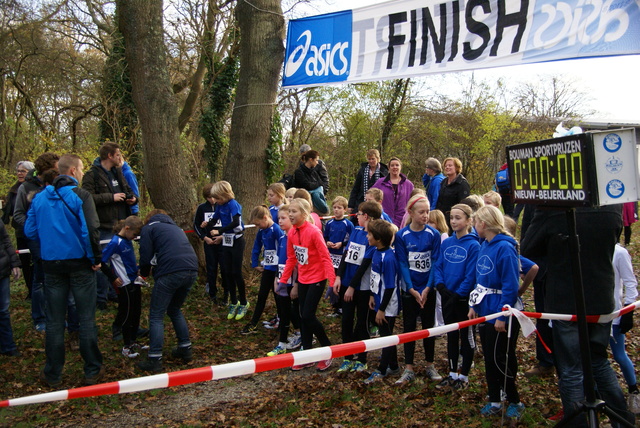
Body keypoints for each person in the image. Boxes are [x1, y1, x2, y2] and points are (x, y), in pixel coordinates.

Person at [521, 205, 635, 427]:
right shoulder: (612, 207)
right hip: (600, 295)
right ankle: (622, 421)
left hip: (566, 298)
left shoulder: (553, 209)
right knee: (599, 361)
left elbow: (528, 247)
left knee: (572, 369)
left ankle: (580, 424)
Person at [24, 153, 104, 388]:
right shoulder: (81, 195)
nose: (81, 173)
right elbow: (90, 230)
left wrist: (50, 241)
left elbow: (29, 231)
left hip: (52, 264)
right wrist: (95, 259)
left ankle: (52, 373)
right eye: (80, 169)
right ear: (72, 171)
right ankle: (92, 370)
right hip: (79, 263)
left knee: (55, 321)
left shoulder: (39, 198)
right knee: (86, 318)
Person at [468, 206, 524, 420]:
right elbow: (480, 279)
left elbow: (511, 285)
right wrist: (474, 305)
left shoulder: (505, 248)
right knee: (489, 359)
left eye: (476, 222)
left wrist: (503, 315)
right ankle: (494, 398)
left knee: (500, 358)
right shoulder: (485, 245)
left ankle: (515, 400)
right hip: (485, 310)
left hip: (501, 313)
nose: (475, 226)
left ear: (483, 224)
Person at [137, 209, 198, 373]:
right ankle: (185, 348)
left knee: (156, 314)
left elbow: (145, 255)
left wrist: (143, 273)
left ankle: (154, 358)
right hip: (192, 269)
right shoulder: (176, 228)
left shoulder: (149, 228)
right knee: (174, 309)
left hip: (170, 271)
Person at [81, 142, 137, 310]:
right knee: (103, 262)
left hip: (121, 225)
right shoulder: (92, 175)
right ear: (110, 156)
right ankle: (101, 298)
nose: (120, 158)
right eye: (118, 154)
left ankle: (117, 293)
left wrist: (132, 199)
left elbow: (130, 191)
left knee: (121, 260)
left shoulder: (118, 172)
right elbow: (87, 197)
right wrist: (110, 197)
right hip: (104, 225)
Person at [280, 198, 335, 371]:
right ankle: (307, 355)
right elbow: (291, 258)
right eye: (289, 212)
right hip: (303, 278)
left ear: (304, 214)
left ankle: (328, 350)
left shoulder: (313, 232)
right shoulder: (292, 233)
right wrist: (283, 281)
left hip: (318, 278)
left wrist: (332, 284)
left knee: (308, 315)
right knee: (303, 317)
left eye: (294, 212)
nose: (290, 215)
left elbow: (326, 257)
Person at [394, 195, 442, 385]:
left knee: (429, 327)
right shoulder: (402, 235)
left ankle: (430, 364)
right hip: (410, 289)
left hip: (428, 288)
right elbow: (403, 263)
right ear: (411, 213)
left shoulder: (434, 234)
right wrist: (412, 289)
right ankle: (409, 367)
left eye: (427, 211)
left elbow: (435, 262)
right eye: (421, 212)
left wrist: (428, 288)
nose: (425, 215)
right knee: (409, 327)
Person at [434, 203, 480, 391]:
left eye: (458, 218)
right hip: (447, 297)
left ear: (469, 220)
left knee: (466, 337)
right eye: (451, 217)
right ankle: (452, 373)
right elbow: (439, 265)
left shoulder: (474, 245)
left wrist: (458, 294)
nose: (453, 221)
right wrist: (441, 285)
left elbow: (471, 275)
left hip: (463, 301)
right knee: (451, 336)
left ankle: (464, 376)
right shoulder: (447, 243)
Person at [333, 200, 382, 374]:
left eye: (359, 214)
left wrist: (353, 287)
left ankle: (362, 359)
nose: (357, 217)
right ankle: (347, 357)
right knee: (346, 320)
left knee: (362, 322)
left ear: (366, 216)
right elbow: (347, 254)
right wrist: (338, 276)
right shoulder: (356, 230)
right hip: (346, 282)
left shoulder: (374, 235)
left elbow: (364, 264)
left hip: (362, 287)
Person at [13, 152, 60, 333]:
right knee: (39, 278)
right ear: (46, 168)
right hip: (36, 239)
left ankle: (55, 315)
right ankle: (39, 317)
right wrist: (35, 228)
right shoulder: (26, 187)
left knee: (54, 278)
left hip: (55, 238)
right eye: (56, 166)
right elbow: (18, 215)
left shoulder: (56, 184)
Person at [100, 216, 146, 359]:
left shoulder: (127, 241)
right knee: (127, 314)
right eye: (134, 235)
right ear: (127, 229)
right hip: (124, 284)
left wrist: (137, 269)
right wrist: (113, 278)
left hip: (134, 281)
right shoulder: (115, 242)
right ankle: (126, 346)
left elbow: (129, 260)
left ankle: (133, 341)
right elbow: (102, 261)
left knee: (136, 312)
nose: (134, 237)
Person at [363, 219, 402, 384]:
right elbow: (376, 279)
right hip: (378, 299)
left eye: (369, 234)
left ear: (378, 238)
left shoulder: (389, 258)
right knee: (386, 334)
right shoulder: (376, 252)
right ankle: (393, 366)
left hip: (388, 305)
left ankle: (381, 370)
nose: (367, 236)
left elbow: (390, 286)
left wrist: (382, 309)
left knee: (386, 337)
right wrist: (372, 295)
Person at [209, 181, 249, 321]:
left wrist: (219, 230)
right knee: (227, 272)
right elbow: (215, 219)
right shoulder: (220, 206)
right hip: (226, 240)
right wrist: (207, 225)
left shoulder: (233, 204)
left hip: (237, 240)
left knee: (236, 272)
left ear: (225, 195)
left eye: (218, 198)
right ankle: (233, 301)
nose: (216, 201)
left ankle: (243, 302)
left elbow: (235, 223)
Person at [242, 205, 283, 334]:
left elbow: (283, 249)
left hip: (276, 270)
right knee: (262, 295)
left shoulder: (276, 230)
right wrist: (254, 263)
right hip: (267, 268)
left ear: (265, 218)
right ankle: (253, 323)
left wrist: (280, 268)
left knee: (278, 296)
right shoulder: (261, 231)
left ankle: (282, 321)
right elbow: (257, 246)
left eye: (258, 224)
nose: (257, 227)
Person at [610, 243, 640, 414]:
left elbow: (630, 283)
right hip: (593, 314)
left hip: (614, 314)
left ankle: (634, 391)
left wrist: (628, 311)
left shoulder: (619, 252)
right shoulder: (589, 247)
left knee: (619, 355)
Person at [267, 206, 301, 356]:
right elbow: (279, 260)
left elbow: (300, 263)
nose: (279, 221)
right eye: (278, 218)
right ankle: (282, 343)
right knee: (284, 311)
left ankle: (303, 334)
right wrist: (276, 278)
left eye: (283, 218)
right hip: (282, 280)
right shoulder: (281, 238)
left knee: (295, 311)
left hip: (294, 281)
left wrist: (297, 284)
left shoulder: (297, 238)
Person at [2, 161, 34, 299]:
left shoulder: (33, 188)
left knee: (36, 263)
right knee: (25, 262)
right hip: (20, 230)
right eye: (18, 171)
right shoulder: (14, 189)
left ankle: (38, 289)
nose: (19, 173)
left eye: (23, 171)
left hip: (34, 231)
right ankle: (30, 290)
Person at [193, 183, 225, 304]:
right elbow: (196, 225)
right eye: (209, 198)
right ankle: (212, 292)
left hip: (222, 242)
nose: (212, 200)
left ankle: (226, 292)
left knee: (224, 267)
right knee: (211, 267)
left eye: (213, 197)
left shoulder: (222, 206)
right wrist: (204, 237)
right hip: (209, 243)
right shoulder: (202, 208)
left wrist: (222, 236)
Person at [324, 196, 354, 316]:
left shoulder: (348, 224)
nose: (336, 210)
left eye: (339, 208)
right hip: (331, 256)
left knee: (339, 279)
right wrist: (328, 243)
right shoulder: (329, 223)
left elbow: (352, 240)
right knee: (332, 279)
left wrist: (342, 243)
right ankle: (334, 305)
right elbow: (325, 237)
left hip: (342, 256)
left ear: (345, 210)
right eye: (334, 207)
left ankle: (341, 306)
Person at [371, 157, 414, 227]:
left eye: (397, 165)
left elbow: (413, 202)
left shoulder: (409, 185)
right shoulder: (380, 182)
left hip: (402, 220)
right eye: (392, 165)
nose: (395, 167)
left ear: (400, 167)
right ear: (388, 168)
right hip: (384, 219)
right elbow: (370, 196)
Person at [0, 221, 21, 356]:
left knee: (3, 310)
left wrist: (14, 263)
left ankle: (8, 345)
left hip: (2, 270)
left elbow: (6, 240)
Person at [348, 149, 388, 216]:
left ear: (378, 159)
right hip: (361, 200)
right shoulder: (363, 170)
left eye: (373, 159)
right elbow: (356, 188)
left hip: (376, 202)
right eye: (369, 159)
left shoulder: (384, 171)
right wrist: (351, 205)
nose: (371, 161)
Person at [436, 157, 471, 229]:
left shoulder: (462, 184)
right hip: (442, 218)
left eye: (450, 165)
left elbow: (464, 205)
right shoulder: (443, 182)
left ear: (457, 168)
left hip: (455, 219)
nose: (447, 167)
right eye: (445, 166)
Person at [293, 150, 329, 214]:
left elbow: (321, 183)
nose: (317, 163)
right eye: (316, 160)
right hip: (303, 204)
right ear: (311, 160)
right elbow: (307, 185)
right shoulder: (299, 172)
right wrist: (317, 185)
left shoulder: (314, 172)